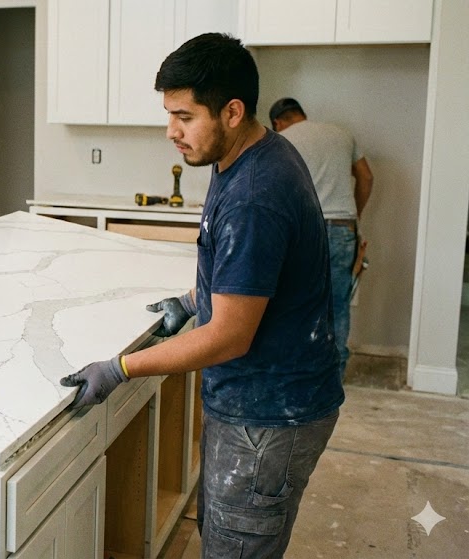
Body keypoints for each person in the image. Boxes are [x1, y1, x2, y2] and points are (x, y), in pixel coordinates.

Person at [60, 33, 343, 558]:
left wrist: (121, 367)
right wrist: (193, 301)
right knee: (224, 535)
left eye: (185, 117)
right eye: (169, 115)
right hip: (259, 402)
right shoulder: (244, 157)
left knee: (235, 547)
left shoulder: (256, 195)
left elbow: (230, 336)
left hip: (269, 416)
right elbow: (246, 275)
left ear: (232, 112)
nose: (171, 132)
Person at [269, 97, 373, 379]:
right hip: (342, 226)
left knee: (294, 301)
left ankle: (298, 372)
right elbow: (366, 177)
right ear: (301, 113)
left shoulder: (281, 140)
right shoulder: (342, 134)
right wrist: (355, 216)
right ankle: (333, 376)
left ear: (278, 122)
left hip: (303, 230)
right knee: (338, 304)